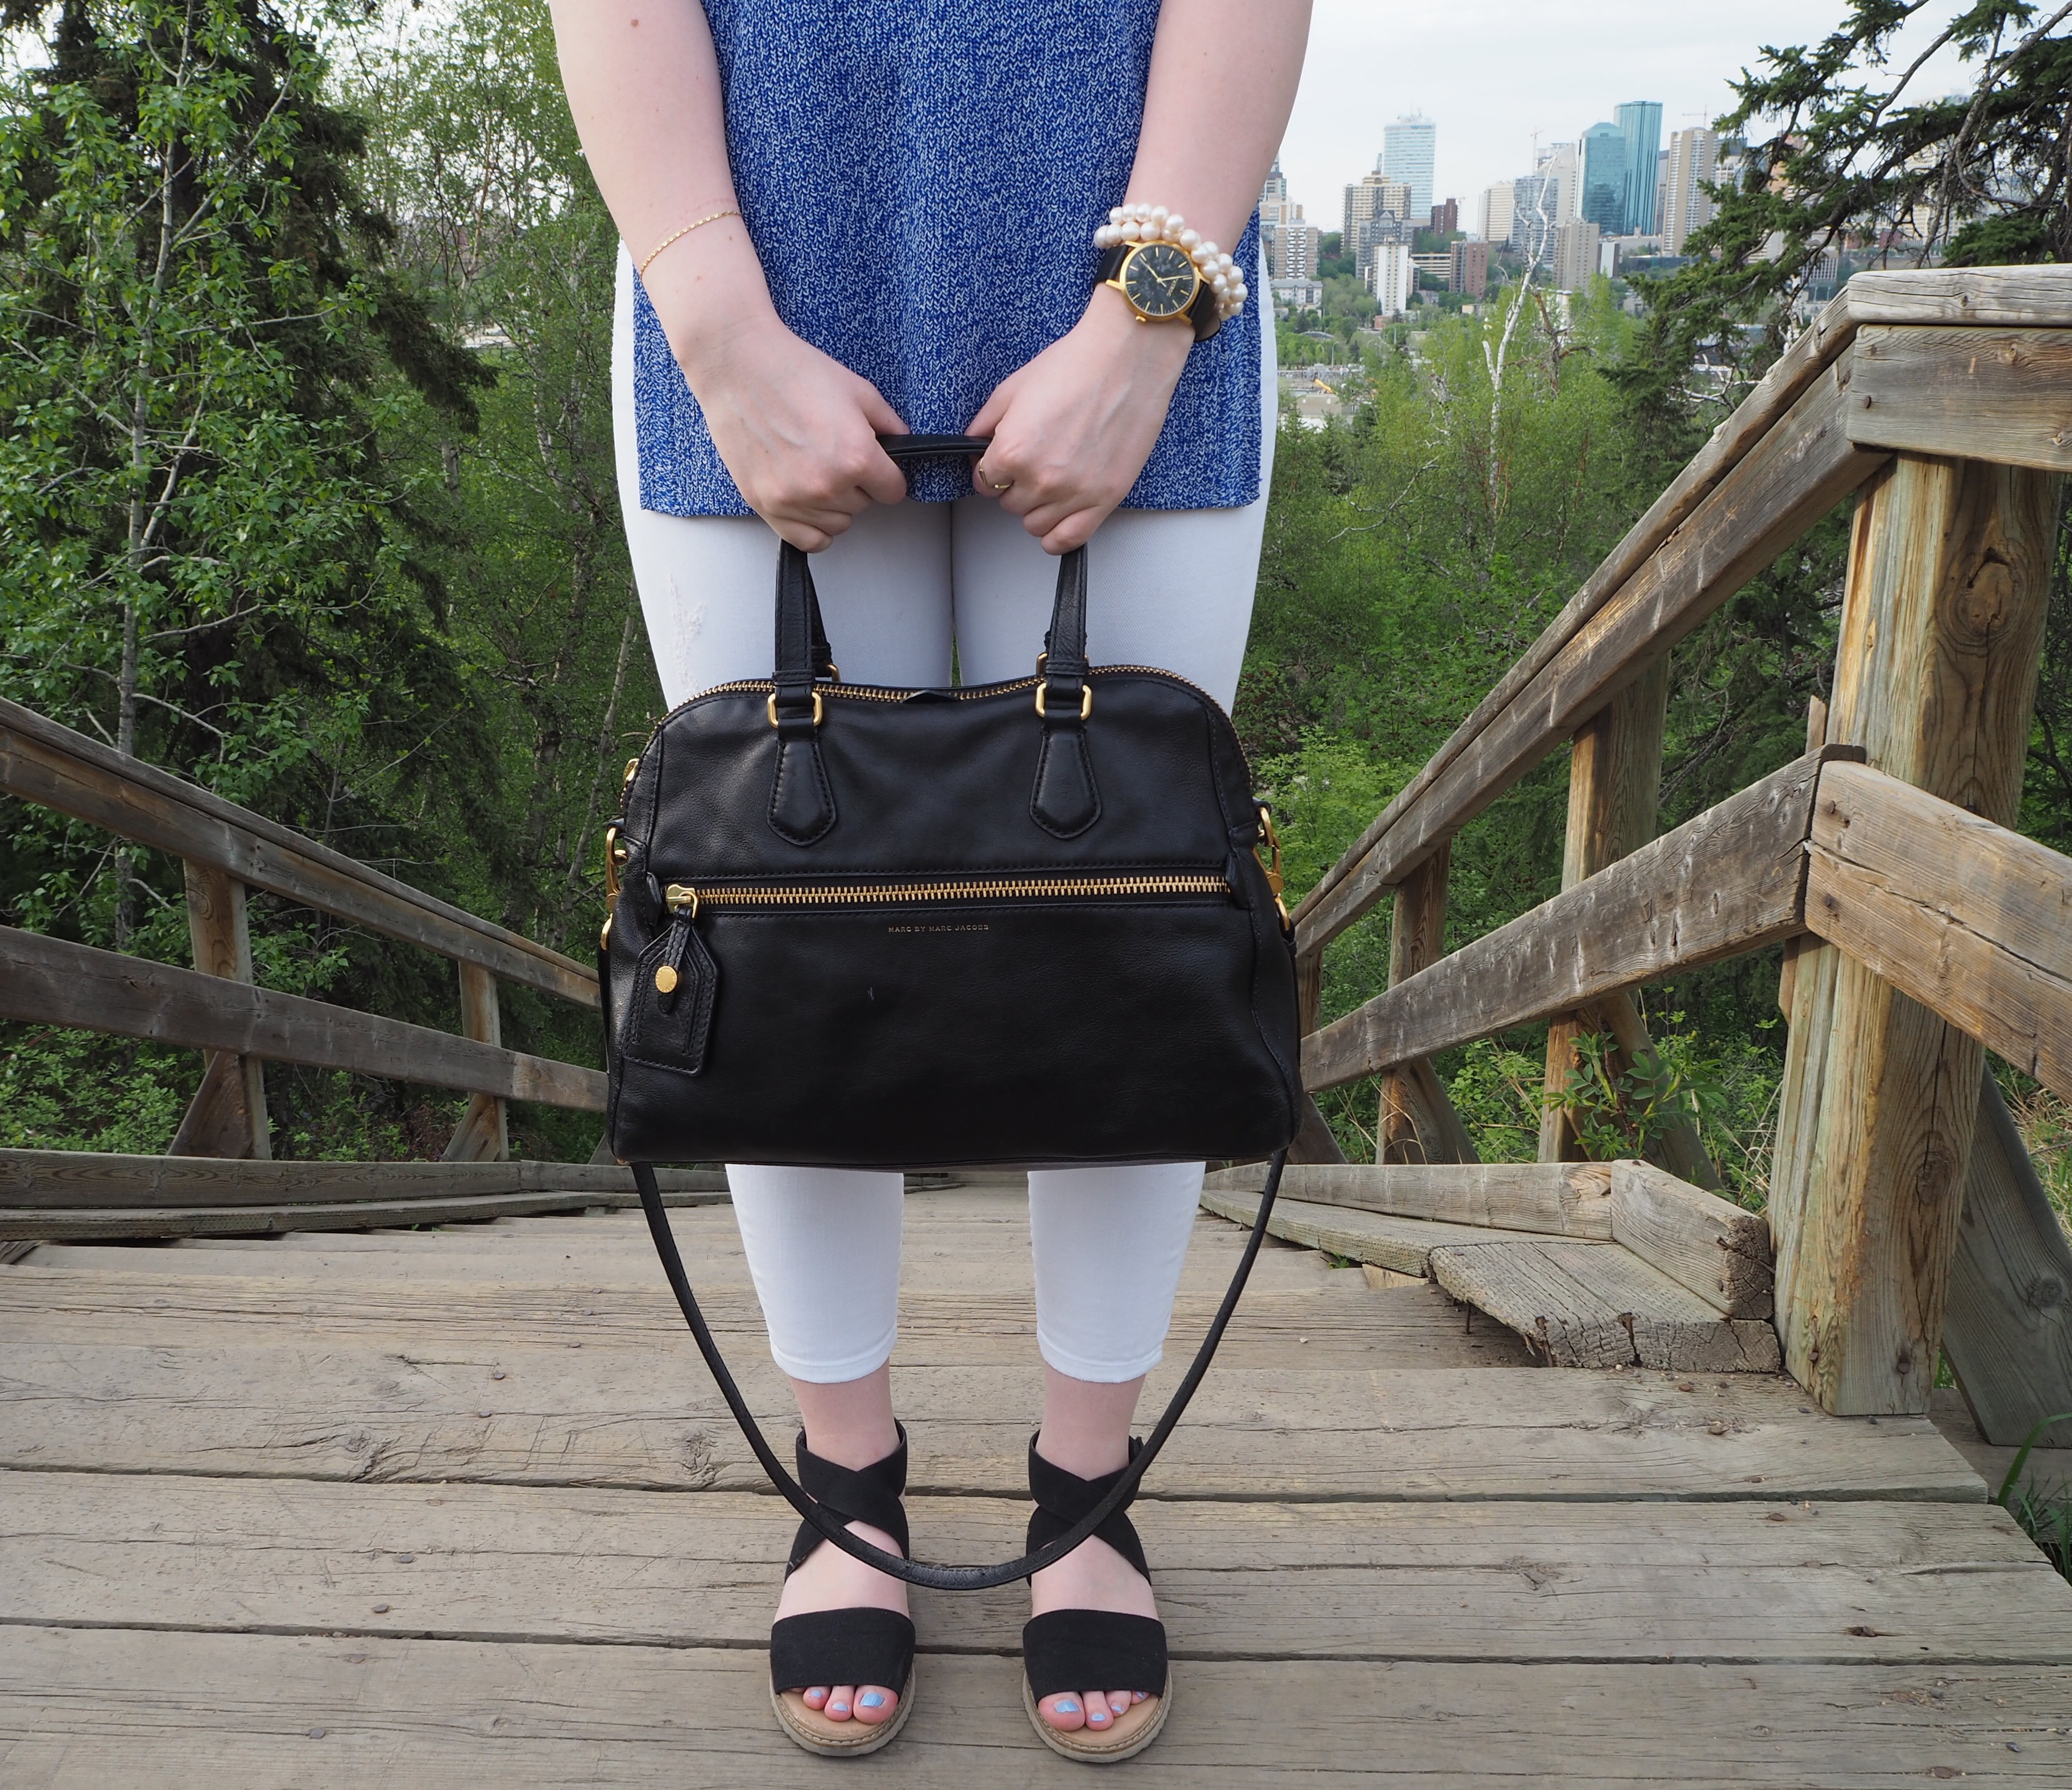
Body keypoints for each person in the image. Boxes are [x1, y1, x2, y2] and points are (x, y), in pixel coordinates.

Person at [550, 0, 1311, 1762]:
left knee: (1134, 922)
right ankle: (848, 1474)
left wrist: (1150, 311)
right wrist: (721, 332)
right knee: (783, 927)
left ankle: (1085, 1488)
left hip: (1142, 267)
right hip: (747, 261)